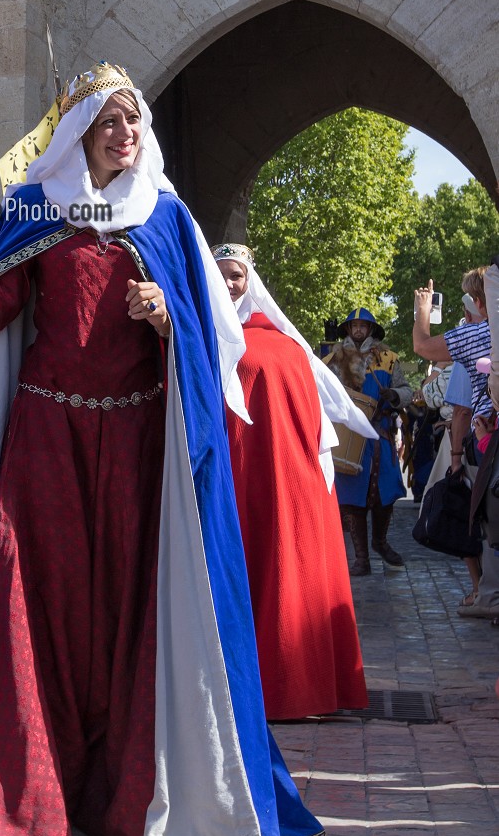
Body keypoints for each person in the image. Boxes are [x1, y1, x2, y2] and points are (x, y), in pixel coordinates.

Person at [0, 63, 328, 836]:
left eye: (133, 119)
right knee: (35, 605)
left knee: (131, 612)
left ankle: (126, 795)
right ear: (78, 133)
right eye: (108, 120)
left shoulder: (166, 219)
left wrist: (167, 315)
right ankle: (34, 797)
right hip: (45, 439)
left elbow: (216, 338)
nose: (123, 132)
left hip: (137, 443)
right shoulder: (35, 208)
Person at [212, 244, 369, 720]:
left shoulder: (282, 345)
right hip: (230, 475)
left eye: (236, 275)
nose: (228, 284)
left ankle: (289, 688)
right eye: (220, 275)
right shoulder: (197, 332)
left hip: (283, 478)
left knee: (282, 573)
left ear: (251, 281)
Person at [415, 270, 496, 618]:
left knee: (487, 520)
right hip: (485, 435)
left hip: (487, 439)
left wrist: (422, 310)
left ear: (477, 302)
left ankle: (487, 594)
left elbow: (422, 346)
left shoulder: (475, 335)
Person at [322, 308, 412, 574]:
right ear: (349, 329)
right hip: (348, 436)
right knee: (351, 497)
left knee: (386, 492)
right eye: (355, 326)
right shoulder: (333, 359)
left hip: (379, 435)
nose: (359, 330)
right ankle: (361, 559)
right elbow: (320, 389)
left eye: (363, 326)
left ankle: (380, 542)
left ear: (371, 329)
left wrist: (394, 395)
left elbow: (407, 391)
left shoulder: (389, 359)